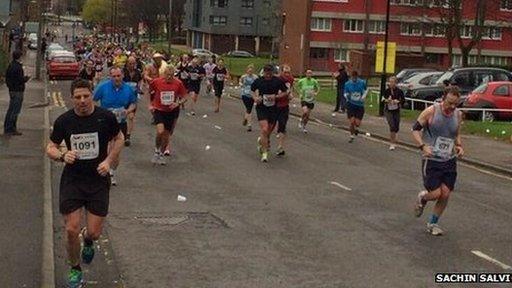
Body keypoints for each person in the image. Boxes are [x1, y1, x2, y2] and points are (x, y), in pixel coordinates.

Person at [46, 79, 124, 287]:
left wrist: (109, 161)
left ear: (92, 95)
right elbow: (50, 147)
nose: (82, 101)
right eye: (78, 97)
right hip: (73, 180)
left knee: (94, 233)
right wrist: (62, 155)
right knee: (71, 229)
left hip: (98, 180)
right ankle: (75, 268)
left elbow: (119, 138)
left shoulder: (105, 117)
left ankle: (88, 241)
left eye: (86, 96)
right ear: (72, 98)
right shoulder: (64, 121)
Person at [412, 86, 464, 236]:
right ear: (443, 99)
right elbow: (414, 129)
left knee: (446, 194)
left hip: (449, 160)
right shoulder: (431, 111)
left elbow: (456, 134)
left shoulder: (458, 115)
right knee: (435, 194)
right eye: (449, 103)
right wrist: (422, 146)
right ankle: (423, 197)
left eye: (455, 104)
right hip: (432, 159)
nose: (452, 107)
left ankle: (433, 223)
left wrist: (459, 146)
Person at [93, 67, 137, 185]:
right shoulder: (103, 87)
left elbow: (133, 103)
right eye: (114, 76)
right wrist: (97, 113)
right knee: (106, 148)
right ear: (110, 77)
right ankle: (104, 170)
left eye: (118, 76)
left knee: (116, 152)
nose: (116, 78)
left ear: (122, 76)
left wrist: (127, 111)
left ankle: (111, 172)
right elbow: (92, 100)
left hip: (120, 123)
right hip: (104, 122)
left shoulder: (129, 89)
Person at [149, 65, 188, 165]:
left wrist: (178, 103)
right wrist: (150, 104)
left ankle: (161, 154)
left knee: (166, 136)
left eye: (171, 75)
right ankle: (156, 150)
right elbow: (149, 92)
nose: (169, 77)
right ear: (164, 74)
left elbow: (184, 97)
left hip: (171, 111)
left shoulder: (178, 83)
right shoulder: (157, 81)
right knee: (160, 131)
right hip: (159, 110)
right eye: (167, 75)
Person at [251, 64, 288, 163]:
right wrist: (255, 98)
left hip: (273, 109)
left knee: (268, 132)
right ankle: (264, 153)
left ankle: (261, 141)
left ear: (272, 72)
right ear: (264, 72)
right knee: (264, 129)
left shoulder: (277, 81)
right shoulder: (259, 81)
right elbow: (252, 90)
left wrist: (276, 97)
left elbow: (285, 92)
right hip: (262, 108)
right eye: (266, 72)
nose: (267, 75)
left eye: (269, 72)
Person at [3, 50, 30, 136]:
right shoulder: (18, 67)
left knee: (11, 109)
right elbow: (19, 80)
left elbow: (7, 78)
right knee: (15, 110)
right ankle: (10, 129)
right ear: (19, 57)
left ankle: (8, 128)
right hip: (18, 91)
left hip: (12, 90)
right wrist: (26, 78)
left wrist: (10, 87)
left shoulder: (11, 65)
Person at [122, 56, 143, 146]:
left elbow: (141, 80)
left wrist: (139, 88)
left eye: (133, 63)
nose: (132, 65)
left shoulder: (138, 72)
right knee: (121, 117)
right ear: (127, 63)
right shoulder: (123, 72)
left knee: (131, 117)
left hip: (132, 99)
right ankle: (120, 134)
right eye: (130, 63)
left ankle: (128, 136)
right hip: (122, 98)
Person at [275, 65, 294, 156]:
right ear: (281, 72)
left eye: (288, 72)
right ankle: (265, 141)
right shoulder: (276, 80)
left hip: (284, 106)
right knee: (269, 127)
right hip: (274, 106)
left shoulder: (290, 79)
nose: (287, 74)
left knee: (282, 125)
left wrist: (290, 95)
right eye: (285, 72)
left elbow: (290, 89)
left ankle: (280, 147)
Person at [344, 70, 367, 143]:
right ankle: (351, 136)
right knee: (352, 121)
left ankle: (356, 128)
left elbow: (366, 91)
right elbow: (345, 92)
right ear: (351, 77)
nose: (354, 79)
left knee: (357, 123)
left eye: (355, 78)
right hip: (351, 104)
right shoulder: (347, 84)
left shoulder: (362, 82)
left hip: (360, 105)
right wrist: (347, 95)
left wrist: (364, 96)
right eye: (353, 78)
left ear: (357, 77)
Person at [383, 76, 404, 150]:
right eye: (390, 82)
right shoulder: (387, 91)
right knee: (392, 126)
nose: (391, 83)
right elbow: (383, 99)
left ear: (396, 83)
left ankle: (395, 134)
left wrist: (398, 101)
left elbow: (403, 100)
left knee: (396, 126)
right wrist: (387, 100)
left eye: (392, 82)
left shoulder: (399, 91)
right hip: (388, 110)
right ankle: (392, 143)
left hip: (396, 110)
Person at [297, 69, 320, 134]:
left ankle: (304, 126)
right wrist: (300, 93)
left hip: (311, 100)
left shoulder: (314, 81)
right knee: (305, 111)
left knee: (307, 116)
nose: (309, 74)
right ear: (306, 74)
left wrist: (316, 93)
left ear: (312, 74)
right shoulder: (301, 81)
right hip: (304, 99)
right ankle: (301, 120)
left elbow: (318, 88)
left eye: (310, 73)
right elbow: (296, 87)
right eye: (308, 73)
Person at [239, 64, 258, 132]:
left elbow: (257, 86)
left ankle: (246, 119)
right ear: (247, 70)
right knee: (249, 108)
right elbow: (240, 82)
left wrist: (257, 95)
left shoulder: (255, 77)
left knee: (249, 109)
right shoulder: (244, 77)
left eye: (251, 70)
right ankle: (249, 124)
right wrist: (241, 84)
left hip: (252, 95)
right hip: (245, 94)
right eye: (249, 70)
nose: (250, 71)